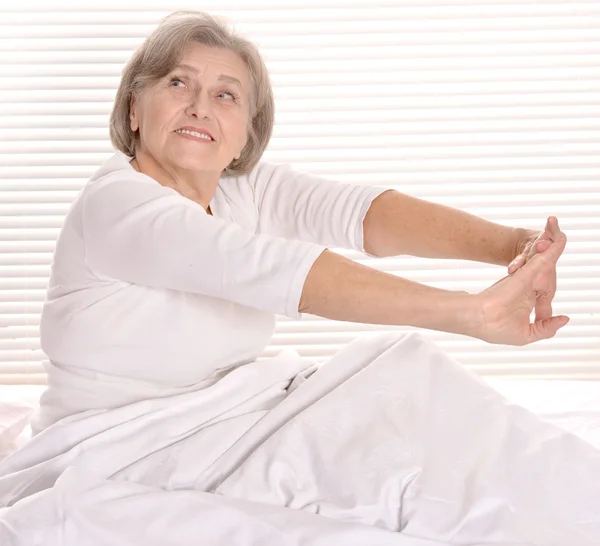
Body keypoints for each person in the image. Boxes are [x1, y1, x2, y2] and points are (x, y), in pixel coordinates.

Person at [0, 10, 598, 546]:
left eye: (226, 94)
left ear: (244, 135)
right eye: (178, 82)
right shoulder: (118, 206)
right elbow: (269, 270)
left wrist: (512, 245)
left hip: (237, 417)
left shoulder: (241, 187)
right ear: (134, 107)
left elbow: (360, 214)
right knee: (395, 445)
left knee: (416, 380)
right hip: (123, 447)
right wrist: (470, 313)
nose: (201, 105)